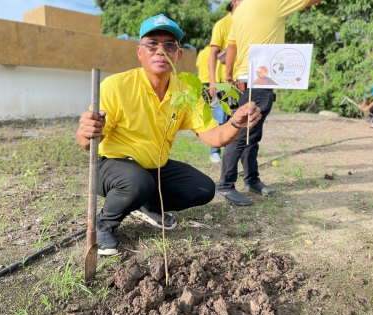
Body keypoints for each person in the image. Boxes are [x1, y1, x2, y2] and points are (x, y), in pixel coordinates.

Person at [76, 14, 262, 255]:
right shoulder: (116, 87)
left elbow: (214, 137)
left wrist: (236, 123)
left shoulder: (186, 90)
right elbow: (86, 144)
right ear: (140, 52)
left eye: (169, 45)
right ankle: (104, 224)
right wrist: (86, 131)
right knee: (137, 182)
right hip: (111, 167)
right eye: (152, 44)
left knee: (204, 189)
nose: (160, 51)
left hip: (154, 168)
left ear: (179, 55)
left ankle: (145, 204)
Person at [216, 0, 323, 206]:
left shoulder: (239, 10)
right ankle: (225, 185)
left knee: (252, 133)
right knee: (242, 132)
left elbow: (232, 45)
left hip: (244, 78)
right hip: (260, 76)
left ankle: (251, 179)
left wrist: (228, 77)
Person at [207, 0, 242, 164]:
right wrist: (213, 81)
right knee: (220, 117)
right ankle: (214, 151)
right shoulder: (222, 24)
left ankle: (231, 151)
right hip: (224, 83)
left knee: (237, 119)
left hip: (242, 81)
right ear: (235, 2)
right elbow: (212, 54)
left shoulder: (246, 22)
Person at [196, 36, 212, 102]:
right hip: (210, 81)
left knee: (203, 103)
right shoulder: (212, 53)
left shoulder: (201, 53)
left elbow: (197, 66)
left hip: (201, 81)